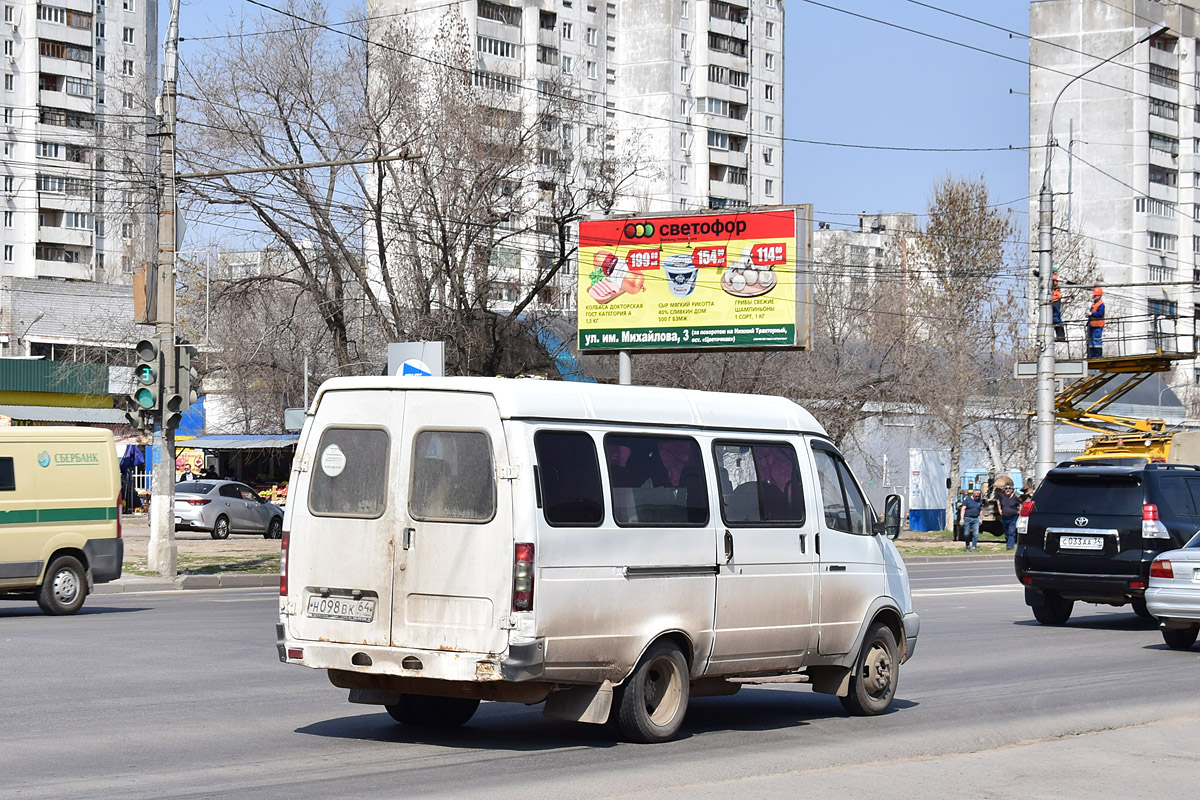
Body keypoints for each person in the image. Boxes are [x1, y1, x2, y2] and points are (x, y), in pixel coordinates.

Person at [998, 483, 1022, 550]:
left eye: (1009, 489)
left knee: (1011, 531)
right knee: (1006, 531)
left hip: (1013, 517)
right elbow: (998, 501)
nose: (1008, 490)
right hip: (1005, 517)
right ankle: (1009, 540)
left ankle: (1010, 546)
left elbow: (1020, 505)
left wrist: (1020, 512)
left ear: (1012, 490)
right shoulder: (1002, 497)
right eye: (1006, 489)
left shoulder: (1015, 498)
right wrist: (1000, 509)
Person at [960, 487, 984, 551]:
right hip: (968, 518)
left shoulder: (979, 500)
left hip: (976, 519)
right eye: (976, 496)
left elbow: (980, 510)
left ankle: (974, 547)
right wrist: (962, 519)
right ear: (973, 494)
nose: (977, 497)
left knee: (975, 534)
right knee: (966, 534)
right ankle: (967, 546)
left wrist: (981, 518)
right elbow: (963, 509)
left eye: (978, 496)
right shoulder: (967, 500)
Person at [1088, 286, 1105, 359]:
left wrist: (1091, 314)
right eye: (1094, 295)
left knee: (1097, 340)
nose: (1094, 296)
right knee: (1091, 341)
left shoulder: (1101, 304)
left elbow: (1100, 314)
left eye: (1096, 295)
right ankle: (1092, 355)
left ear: (1099, 295)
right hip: (1092, 325)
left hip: (1098, 325)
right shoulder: (1094, 304)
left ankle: (1098, 356)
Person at [1052, 271, 1066, 342]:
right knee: (1054, 318)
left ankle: (1061, 336)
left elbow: (1053, 281)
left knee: (1056, 317)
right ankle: (1060, 335)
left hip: (1055, 299)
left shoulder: (1054, 277)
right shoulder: (1052, 277)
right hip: (1053, 299)